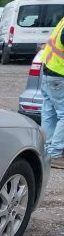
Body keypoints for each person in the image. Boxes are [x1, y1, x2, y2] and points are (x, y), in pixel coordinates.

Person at [39, 16, 64, 169]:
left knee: (49, 113)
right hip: (59, 74)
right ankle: (55, 154)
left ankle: (47, 150)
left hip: (48, 71)